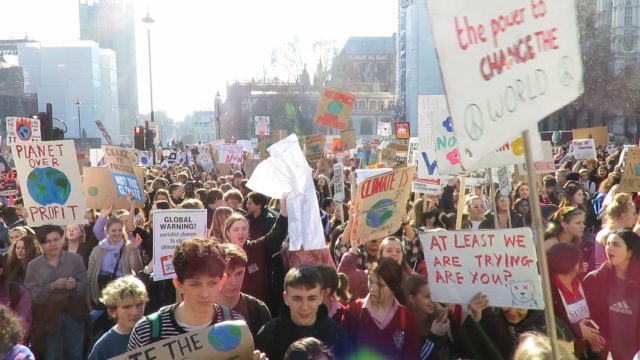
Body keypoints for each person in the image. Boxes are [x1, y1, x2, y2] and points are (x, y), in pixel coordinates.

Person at [255, 266, 349, 360]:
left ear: (321, 297)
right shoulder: (268, 336)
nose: (304, 307)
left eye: (311, 298)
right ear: (286, 298)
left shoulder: (337, 336)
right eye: (297, 298)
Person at [24, 225, 90, 359]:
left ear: (62, 239)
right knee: (52, 355)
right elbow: (32, 295)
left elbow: (85, 285)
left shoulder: (75, 259)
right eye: (48, 241)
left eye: (56, 239)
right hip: (48, 319)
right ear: (41, 244)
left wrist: (75, 285)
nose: (53, 244)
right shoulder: (34, 266)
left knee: (75, 355)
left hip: (74, 315)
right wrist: (51, 287)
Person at [341, 258, 421, 359]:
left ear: (394, 287)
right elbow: (342, 351)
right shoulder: (354, 311)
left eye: (380, 285)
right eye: (370, 281)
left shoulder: (407, 319)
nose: (373, 288)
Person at [583, 229, 640, 360]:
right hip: (606, 352)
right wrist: (594, 336)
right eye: (608, 243)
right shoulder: (595, 279)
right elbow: (587, 314)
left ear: (630, 252)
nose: (609, 248)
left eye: (616, 244)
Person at [223, 196, 289, 307]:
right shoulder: (221, 253)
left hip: (256, 308)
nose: (241, 232)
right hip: (229, 307)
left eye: (244, 229)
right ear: (228, 232)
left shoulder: (256, 247)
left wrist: (283, 212)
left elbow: (274, 236)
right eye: (236, 229)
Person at [548, 243, 605, 358]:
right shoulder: (549, 289)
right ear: (574, 264)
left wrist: (593, 337)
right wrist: (577, 330)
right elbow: (549, 322)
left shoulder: (580, 283)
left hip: (584, 351)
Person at [217, 243, 272, 337]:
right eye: (227, 275)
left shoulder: (258, 309)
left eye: (239, 273)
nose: (233, 282)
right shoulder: (202, 309)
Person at [87, 216, 143, 306]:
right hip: (101, 293)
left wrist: (135, 250)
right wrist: (88, 300)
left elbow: (137, 269)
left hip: (122, 293)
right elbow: (89, 275)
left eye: (120, 230)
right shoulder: (97, 250)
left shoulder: (128, 247)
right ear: (107, 231)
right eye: (113, 231)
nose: (117, 233)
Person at [89, 276, 148, 360]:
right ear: (112, 311)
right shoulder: (104, 347)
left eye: (139, 305)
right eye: (127, 307)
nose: (135, 312)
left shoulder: (160, 330)